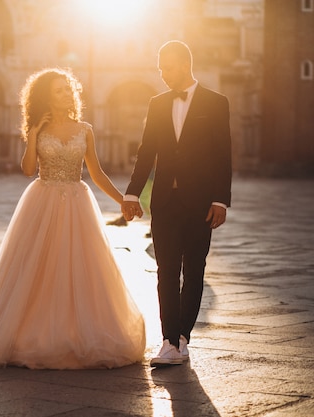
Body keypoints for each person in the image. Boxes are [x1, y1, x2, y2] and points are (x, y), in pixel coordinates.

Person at [0, 68, 146, 369]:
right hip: (42, 200)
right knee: (38, 267)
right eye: (58, 90)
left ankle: (76, 334)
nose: (66, 94)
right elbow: (27, 169)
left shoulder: (85, 129)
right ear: (46, 98)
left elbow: (97, 173)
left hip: (77, 202)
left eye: (67, 88)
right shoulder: (38, 129)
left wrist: (124, 200)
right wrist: (34, 133)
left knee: (80, 268)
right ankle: (31, 334)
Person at [122, 40, 232, 367]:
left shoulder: (216, 102)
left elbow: (222, 154)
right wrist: (131, 193)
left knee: (194, 270)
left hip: (201, 203)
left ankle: (183, 336)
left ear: (183, 64)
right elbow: (146, 151)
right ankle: (169, 340)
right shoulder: (157, 103)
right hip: (165, 202)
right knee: (165, 271)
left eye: (165, 67)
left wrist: (220, 200)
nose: (162, 74)